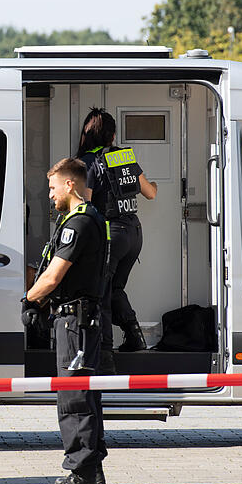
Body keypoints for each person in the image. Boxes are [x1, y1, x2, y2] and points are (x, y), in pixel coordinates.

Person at [23, 158, 110, 484]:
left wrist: (30, 300)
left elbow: (53, 276)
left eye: (52, 187)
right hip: (81, 319)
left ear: (70, 184)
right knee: (86, 394)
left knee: (73, 397)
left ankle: (81, 473)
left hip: (75, 323)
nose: (50, 194)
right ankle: (93, 469)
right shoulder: (87, 218)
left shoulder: (80, 222)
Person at [76, 108, 157, 356]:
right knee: (114, 289)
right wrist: (152, 183)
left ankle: (105, 352)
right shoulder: (123, 157)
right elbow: (151, 193)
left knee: (101, 293)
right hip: (134, 234)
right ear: (112, 136)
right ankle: (134, 336)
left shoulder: (88, 162)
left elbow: (85, 204)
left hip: (111, 235)